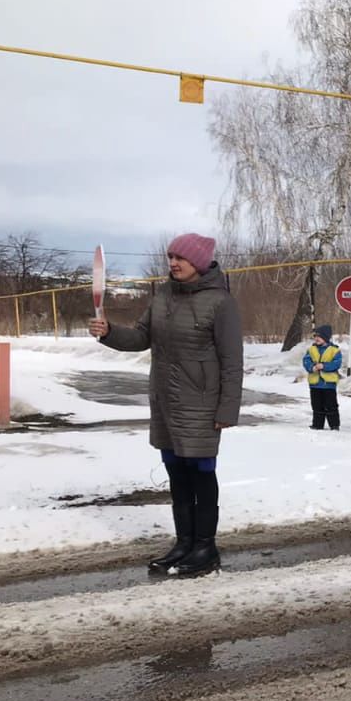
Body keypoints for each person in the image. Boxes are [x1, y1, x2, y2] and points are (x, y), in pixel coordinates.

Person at [88, 232, 242, 577]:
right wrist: (109, 331)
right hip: (164, 400)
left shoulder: (221, 302)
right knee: (176, 472)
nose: (173, 263)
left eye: (180, 258)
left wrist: (227, 409)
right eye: (170, 256)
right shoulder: (162, 295)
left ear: (199, 263)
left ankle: (206, 546)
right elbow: (141, 337)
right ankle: (184, 542)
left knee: (201, 473)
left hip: (201, 403)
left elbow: (232, 361)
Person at [303, 325, 342, 431]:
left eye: (319, 336)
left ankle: (334, 424)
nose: (316, 338)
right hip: (315, 384)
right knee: (316, 405)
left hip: (329, 384)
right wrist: (311, 367)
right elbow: (306, 361)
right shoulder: (311, 349)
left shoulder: (334, 350)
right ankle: (317, 424)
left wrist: (324, 366)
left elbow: (336, 363)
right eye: (315, 336)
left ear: (326, 337)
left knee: (331, 405)